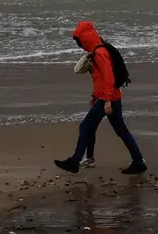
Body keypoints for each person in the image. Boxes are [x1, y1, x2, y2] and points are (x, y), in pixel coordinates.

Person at [54, 21, 146, 175]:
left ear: (85, 38)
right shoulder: (98, 50)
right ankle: (138, 162)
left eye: (78, 39)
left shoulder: (100, 52)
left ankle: (75, 161)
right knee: (119, 130)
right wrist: (95, 96)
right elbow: (100, 78)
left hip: (108, 98)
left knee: (85, 126)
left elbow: (109, 76)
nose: (78, 43)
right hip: (107, 96)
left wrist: (107, 99)